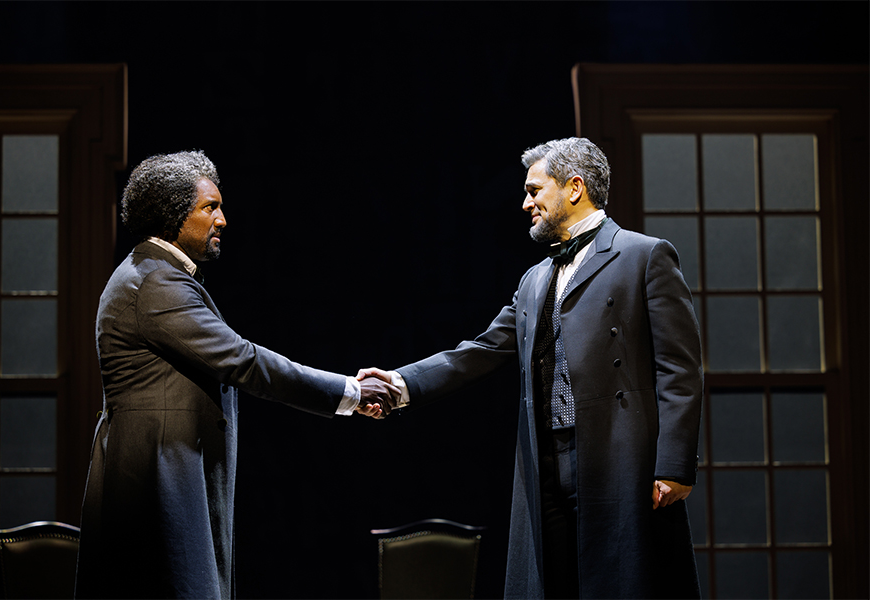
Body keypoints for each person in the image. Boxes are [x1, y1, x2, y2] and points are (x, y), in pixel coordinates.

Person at [360, 138, 702, 599]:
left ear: (575, 187)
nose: (526, 203)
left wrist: (675, 464)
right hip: (546, 458)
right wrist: (401, 383)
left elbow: (679, 367)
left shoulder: (644, 256)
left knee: (622, 583)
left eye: (535, 190)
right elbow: (480, 350)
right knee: (553, 582)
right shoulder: (536, 278)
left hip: (618, 456)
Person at [75, 150, 396, 599]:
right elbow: (243, 360)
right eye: (210, 207)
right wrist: (349, 391)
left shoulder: (156, 274)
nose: (222, 219)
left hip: (164, 468)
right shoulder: (155, 282)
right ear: (171, 215)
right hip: (156, 478)